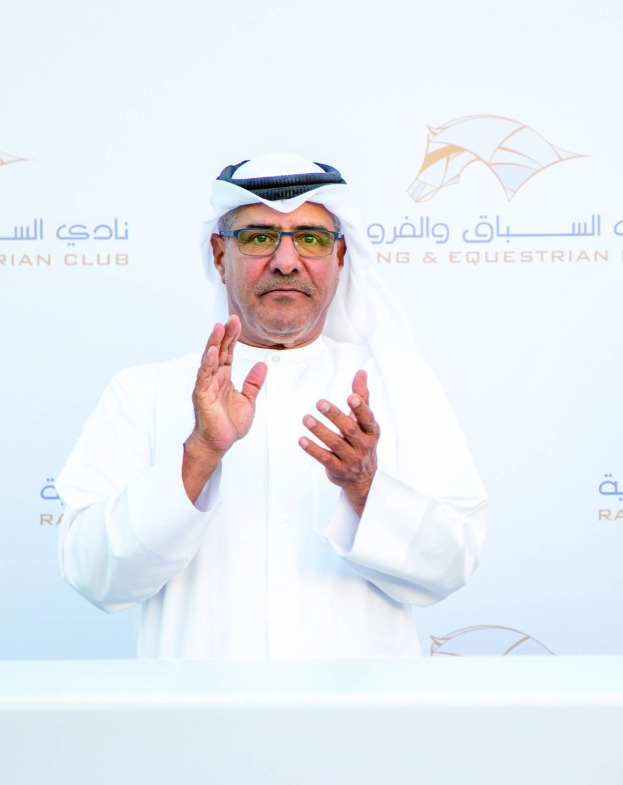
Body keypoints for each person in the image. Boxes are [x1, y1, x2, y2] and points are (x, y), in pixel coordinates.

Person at [57, 154, 487, 658]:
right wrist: (198, 456)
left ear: (341, 256)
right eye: (260, 237)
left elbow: (453, 565)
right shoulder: (143, 393)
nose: (286, 261)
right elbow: (93, 577)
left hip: (359, 725)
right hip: (198, 721)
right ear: (220, 256)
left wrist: (365, 486)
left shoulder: (398, 384)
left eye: (310, 238)